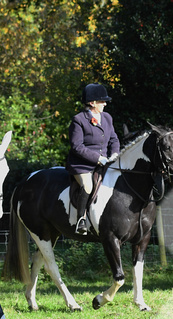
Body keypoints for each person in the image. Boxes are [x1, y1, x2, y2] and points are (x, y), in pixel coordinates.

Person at [66, 83, 120, 235]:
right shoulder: (79, 120)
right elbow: (77, 146)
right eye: (102, 101)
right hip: (81, 164)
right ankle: (80, 220)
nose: (105, 103)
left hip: (104, 162)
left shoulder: (107, 118)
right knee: (88, 186)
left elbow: (114, 139)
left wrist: (115, 153)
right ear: (92, 103)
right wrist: (98, 159)